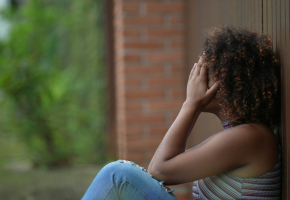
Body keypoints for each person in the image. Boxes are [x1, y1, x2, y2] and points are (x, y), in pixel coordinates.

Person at [81, 26, 281, 200]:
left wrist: (191, 104)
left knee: (117, 175)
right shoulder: (245, 135)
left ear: (225, 82)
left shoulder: (251, 137)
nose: (196, 75)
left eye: (205, 69)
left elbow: (160, 170)